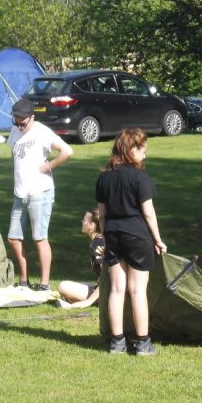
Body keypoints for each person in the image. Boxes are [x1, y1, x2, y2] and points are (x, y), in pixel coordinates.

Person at [95, 128, 167, 356]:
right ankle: (143, 343)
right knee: (137, 291)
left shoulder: (104, 177)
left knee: (117, 290)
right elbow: (148, 213)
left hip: (113, 234)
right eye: (142, 151)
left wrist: (106, 237)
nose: (144, 155)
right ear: (131, 150)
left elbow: (102, 213)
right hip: (137, 236)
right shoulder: (140, 177)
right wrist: (158, 239)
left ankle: (117, 342)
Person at [7, 97, 74, 291]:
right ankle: (24, 281)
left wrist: (48, 165)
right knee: (13, 238)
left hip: (40, 192)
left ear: (32, 117)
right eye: (16, 122)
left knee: (39, 238)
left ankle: (44, 284)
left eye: (23, 123)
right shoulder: (15, 131)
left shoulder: (42, 132)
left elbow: (67, 151)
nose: (19, 126)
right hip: (20, 193)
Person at [56, 208, 105, 309]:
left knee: (63, 286)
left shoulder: (97, 244)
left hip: (107, 289)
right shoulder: (101, 239)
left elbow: (107, 276)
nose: (82, 222)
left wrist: (88, 301)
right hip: (104, 287)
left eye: (85, 220)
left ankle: (97, 300)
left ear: (92, 226)